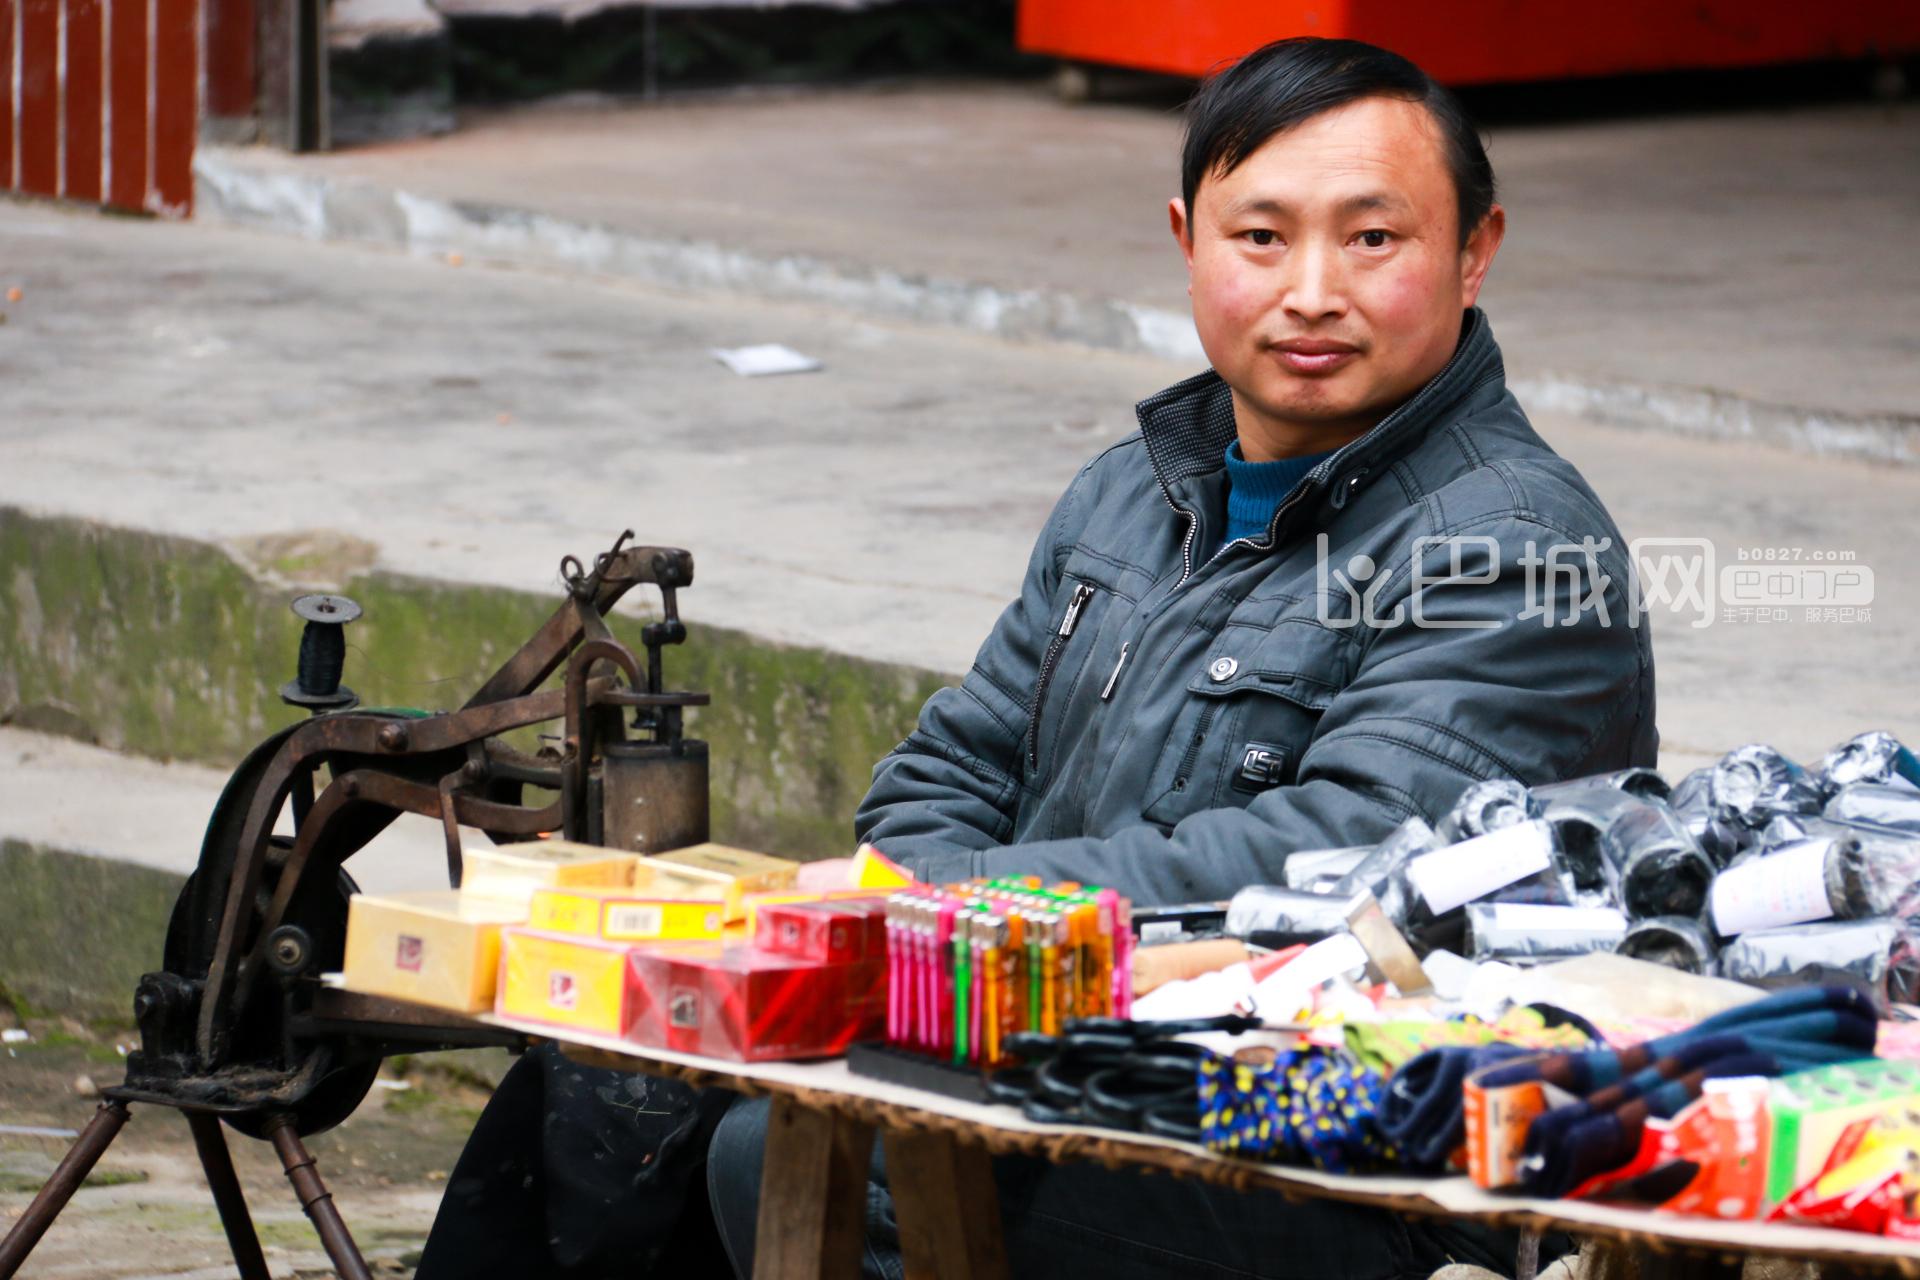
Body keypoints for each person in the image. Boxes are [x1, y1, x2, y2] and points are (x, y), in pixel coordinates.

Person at [703, 34, 1653, 1280]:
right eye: (1261, 238)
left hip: (1363, 1150)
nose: (1312, 290)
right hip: (1085, 1059)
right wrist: (934, 916)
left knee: (779, 1150)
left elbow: (1340, 866)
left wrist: (953, 917)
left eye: (1374, 239)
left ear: (1475, 251)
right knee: (618, 1082)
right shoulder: (1131, 491)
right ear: (1187, 240)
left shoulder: (1516, 547)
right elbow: (945, 771)